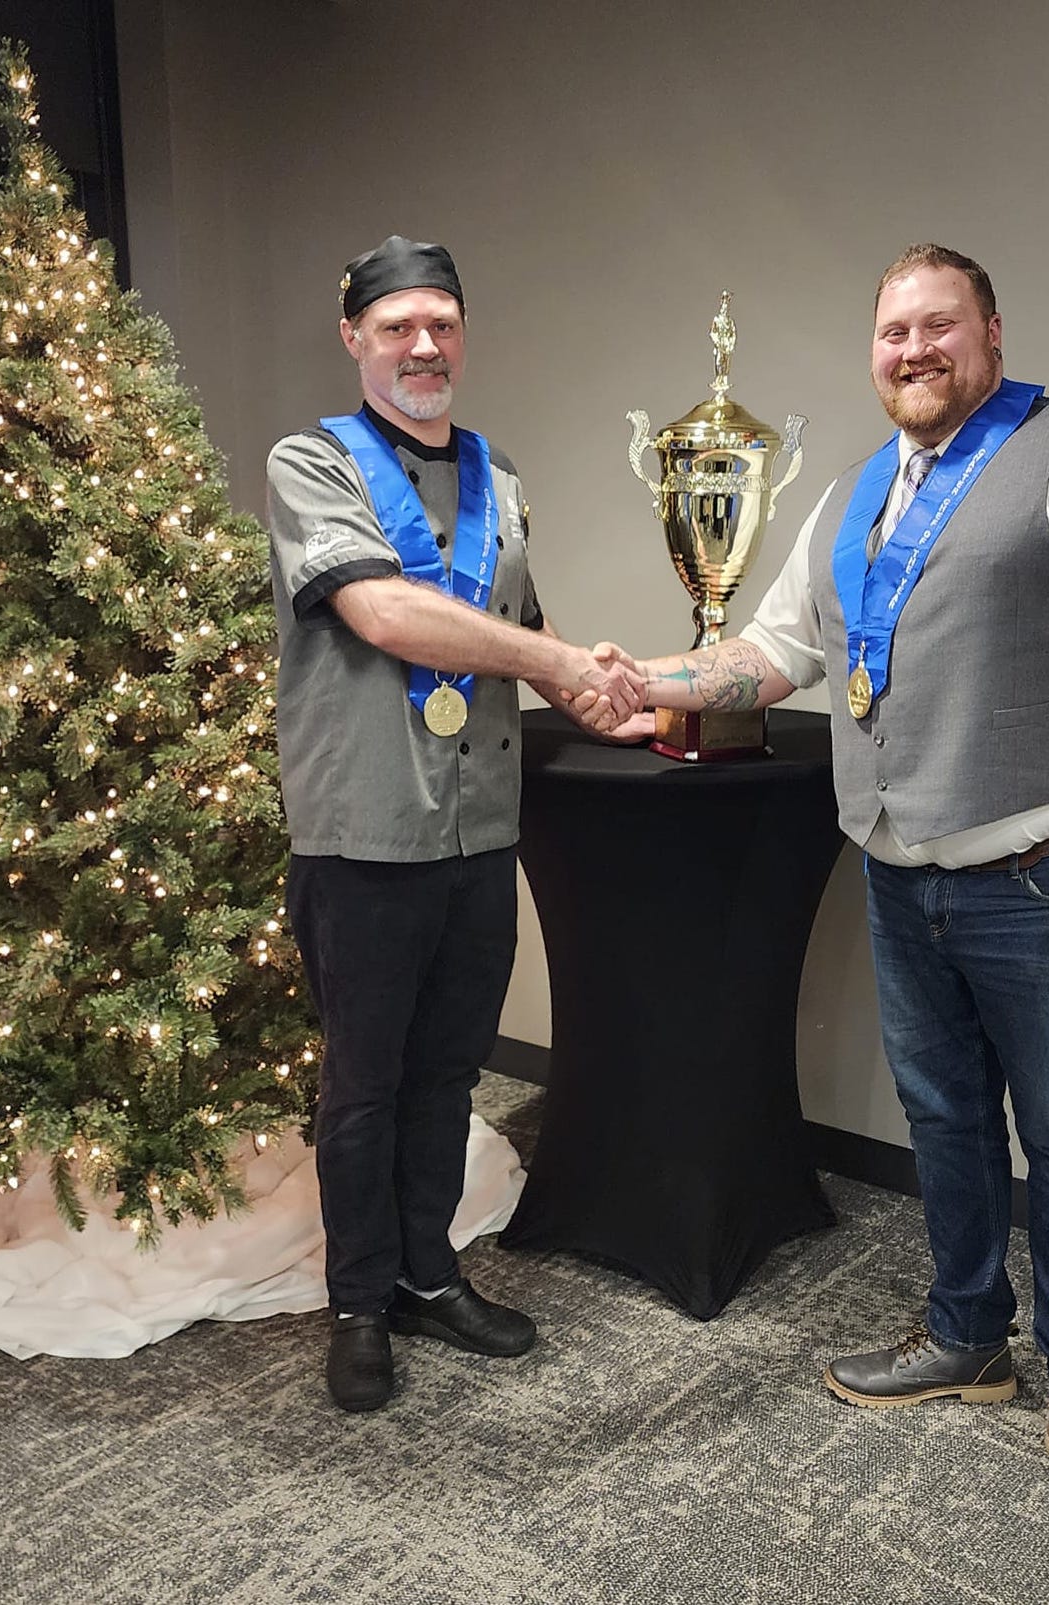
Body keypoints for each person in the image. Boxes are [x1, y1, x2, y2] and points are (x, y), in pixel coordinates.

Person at [609, 243, 1049, 1556]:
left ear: (991, 331)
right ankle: (970, 1337)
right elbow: (777, 651)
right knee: (949, 1129)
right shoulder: (852, 496)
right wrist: (649, 681)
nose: (911, 350)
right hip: (903, 881)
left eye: (937, 325)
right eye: (892, 331)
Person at [265, 235, 640, 1413]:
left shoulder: (500, 473)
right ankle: (358, 1303)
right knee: (363, 1087)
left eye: (442, 323)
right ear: (354, 339)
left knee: (445, 1075)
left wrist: (605, 695)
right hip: (364, 831)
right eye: (396, 326)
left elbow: (519, 624)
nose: (422, 346)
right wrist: (559, 660)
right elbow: (387, 613)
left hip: (479, 828)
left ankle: (429, 1274)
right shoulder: (308, 462)